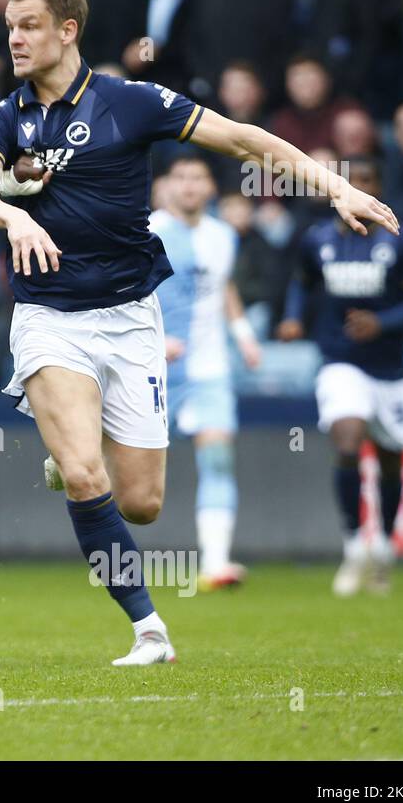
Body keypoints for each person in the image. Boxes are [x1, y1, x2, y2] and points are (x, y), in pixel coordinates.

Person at [0, 0, 398, 666]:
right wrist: (10, 216)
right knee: (86, 480)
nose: (15, 38)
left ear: (68, 30)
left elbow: (246, 140)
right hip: (50, 316)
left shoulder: (132, 102)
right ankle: (148, 630)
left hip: (132, 317)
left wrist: (335, 187)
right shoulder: (6, 117)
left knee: (141, 504)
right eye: (10, 26)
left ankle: (72, 451)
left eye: (29, 24)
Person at [278, 159, 403, 598]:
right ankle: (352, 546)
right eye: (350, 183)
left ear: (378, 190)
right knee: (348, 438)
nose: (357, 190)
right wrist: (291, 318)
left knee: (389, 459)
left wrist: (381, 323)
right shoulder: (318, 240)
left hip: (391, 370)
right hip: (339, 360)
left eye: (366, 182)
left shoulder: (402, 240)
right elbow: (301, 283)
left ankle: (383, 549)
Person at [147, 157, 261, 591]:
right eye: (182, 177)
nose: (190, 185)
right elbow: (127, 290)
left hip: (209, 366)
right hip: (151, 366)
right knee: (132, 473)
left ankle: (216, 563)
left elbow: (224, 287)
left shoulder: (223, 236)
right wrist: (157, 339)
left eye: (198, 177)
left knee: (217, 457)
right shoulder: (149, 231)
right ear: (168, 185)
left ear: (210, 187)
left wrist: (244, 336)